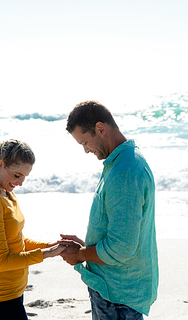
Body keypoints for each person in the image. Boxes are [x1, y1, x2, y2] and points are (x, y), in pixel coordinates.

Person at [59, 101, 158, 320]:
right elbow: (123, 233)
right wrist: (87, 244)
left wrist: (81, 255)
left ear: (100, 129)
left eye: (85, 142)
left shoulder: (125, 172)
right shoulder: (124, 160)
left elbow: (121, 248)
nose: (86, 150)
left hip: (117, 295)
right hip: (116, 288)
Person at [0, 139, 65, 320]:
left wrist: (49, 244)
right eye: (17, 175)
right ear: (0, 165)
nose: (20, 182)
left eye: (24, 177)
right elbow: (2, 261)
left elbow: (16, 239)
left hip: (13, 290)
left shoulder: (5, 191)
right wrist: (47, 253)